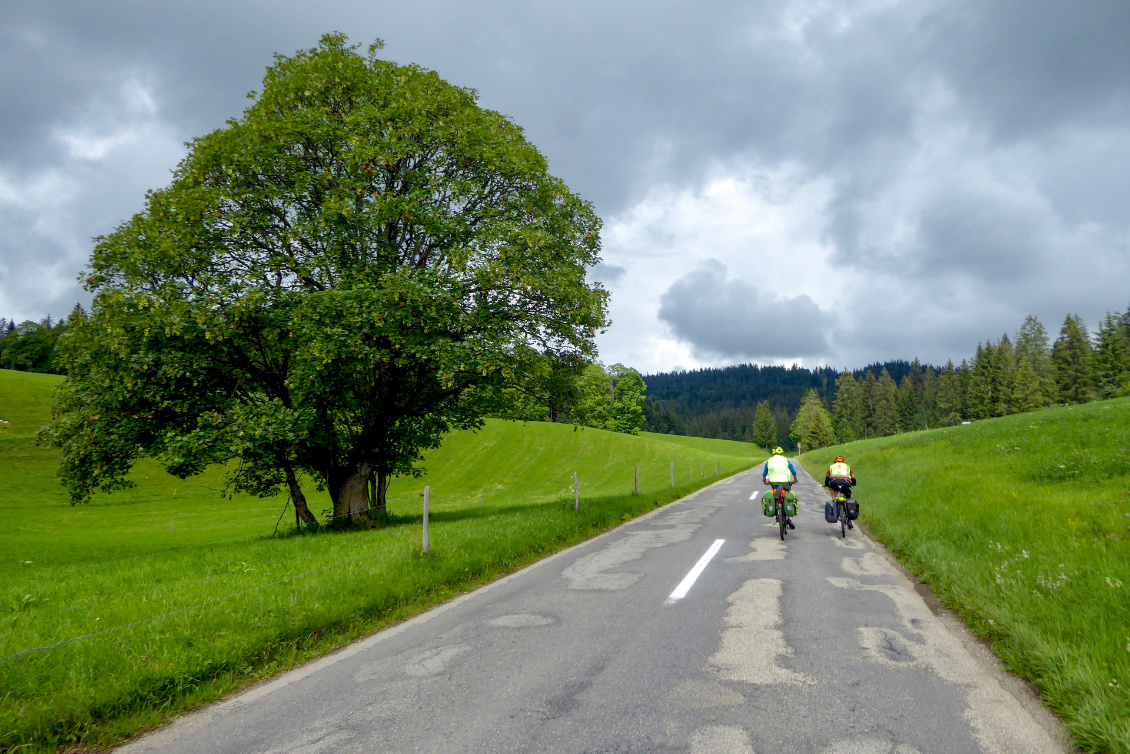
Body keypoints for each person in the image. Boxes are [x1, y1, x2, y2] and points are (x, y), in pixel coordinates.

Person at [762, 446, 798, 529]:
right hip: (785, 482)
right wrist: (795, 479)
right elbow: (793, 470)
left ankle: (774, 510)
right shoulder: (786, 460)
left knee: (775, 495)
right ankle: (788, 518)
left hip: (773, 482)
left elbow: (764, 473)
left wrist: (764, 481)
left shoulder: (769, 461)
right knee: (786, 497)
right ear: (782, 453)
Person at [824, 455, 857, 529]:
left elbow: (827, 476)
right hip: (846, 481)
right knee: (848, 497)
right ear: (843, 461)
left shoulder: (831, 466)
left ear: (835, 461)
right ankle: (849, 518)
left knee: (832, 488)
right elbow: (853, 476)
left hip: (834, 481)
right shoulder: (847, 466)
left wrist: (826, 484)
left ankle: (834, 501)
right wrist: (854, 483)